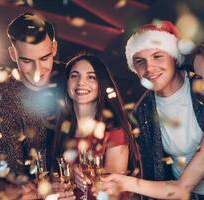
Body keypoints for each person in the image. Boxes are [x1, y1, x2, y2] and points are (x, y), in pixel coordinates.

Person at [101, 22, 204, 200]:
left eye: (157, 56)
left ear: (173, 56)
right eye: (140, 61)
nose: (149, 68)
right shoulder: (141, 114)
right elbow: (152, 173)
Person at [0, 13, 74, 199]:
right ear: (12, 54)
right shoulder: (1, 97)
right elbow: (13, 172)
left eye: (44, 58)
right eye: (26, 61)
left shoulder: (74, 79)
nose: (37, 71)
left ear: (54, 48)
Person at [52, 54, 140, 199]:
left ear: (101, 84)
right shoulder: (62, 129)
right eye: (75, 76)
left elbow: (113, 193)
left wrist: (81, 174)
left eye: (91, 77)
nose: (81, 82)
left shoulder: (115, 132)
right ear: (67, 82)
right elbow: (54, 181)